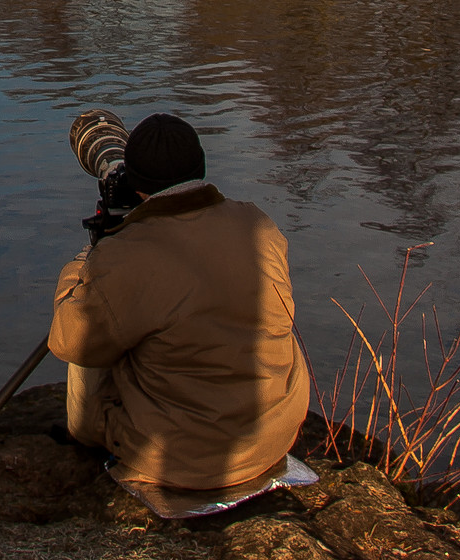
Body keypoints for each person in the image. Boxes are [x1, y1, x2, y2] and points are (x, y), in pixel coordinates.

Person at [48, 113, 310, 491]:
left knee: (92, 322)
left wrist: (86, 264)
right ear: (200, 169)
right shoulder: (258, 224)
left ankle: (90, 436)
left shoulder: (127, 256)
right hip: (274, 440)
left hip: (179, 463)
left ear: (136, 184)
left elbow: (66, 341)